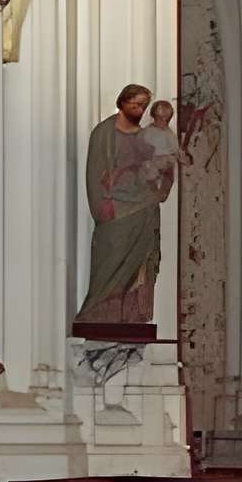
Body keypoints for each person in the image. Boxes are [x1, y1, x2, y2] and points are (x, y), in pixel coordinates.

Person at [74, 84, 173, 332]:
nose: (139, 110)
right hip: (114, 209)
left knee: (139, 265)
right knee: (110, 260)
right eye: (134, 105)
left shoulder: (146, 136)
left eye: (142, 106)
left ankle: (129, 317)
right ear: (121, 103)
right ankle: (97, 313)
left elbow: (158, 170)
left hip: (142, 206)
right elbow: (95, 173)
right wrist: (101, 205)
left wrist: (161, 172)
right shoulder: (103, 134)